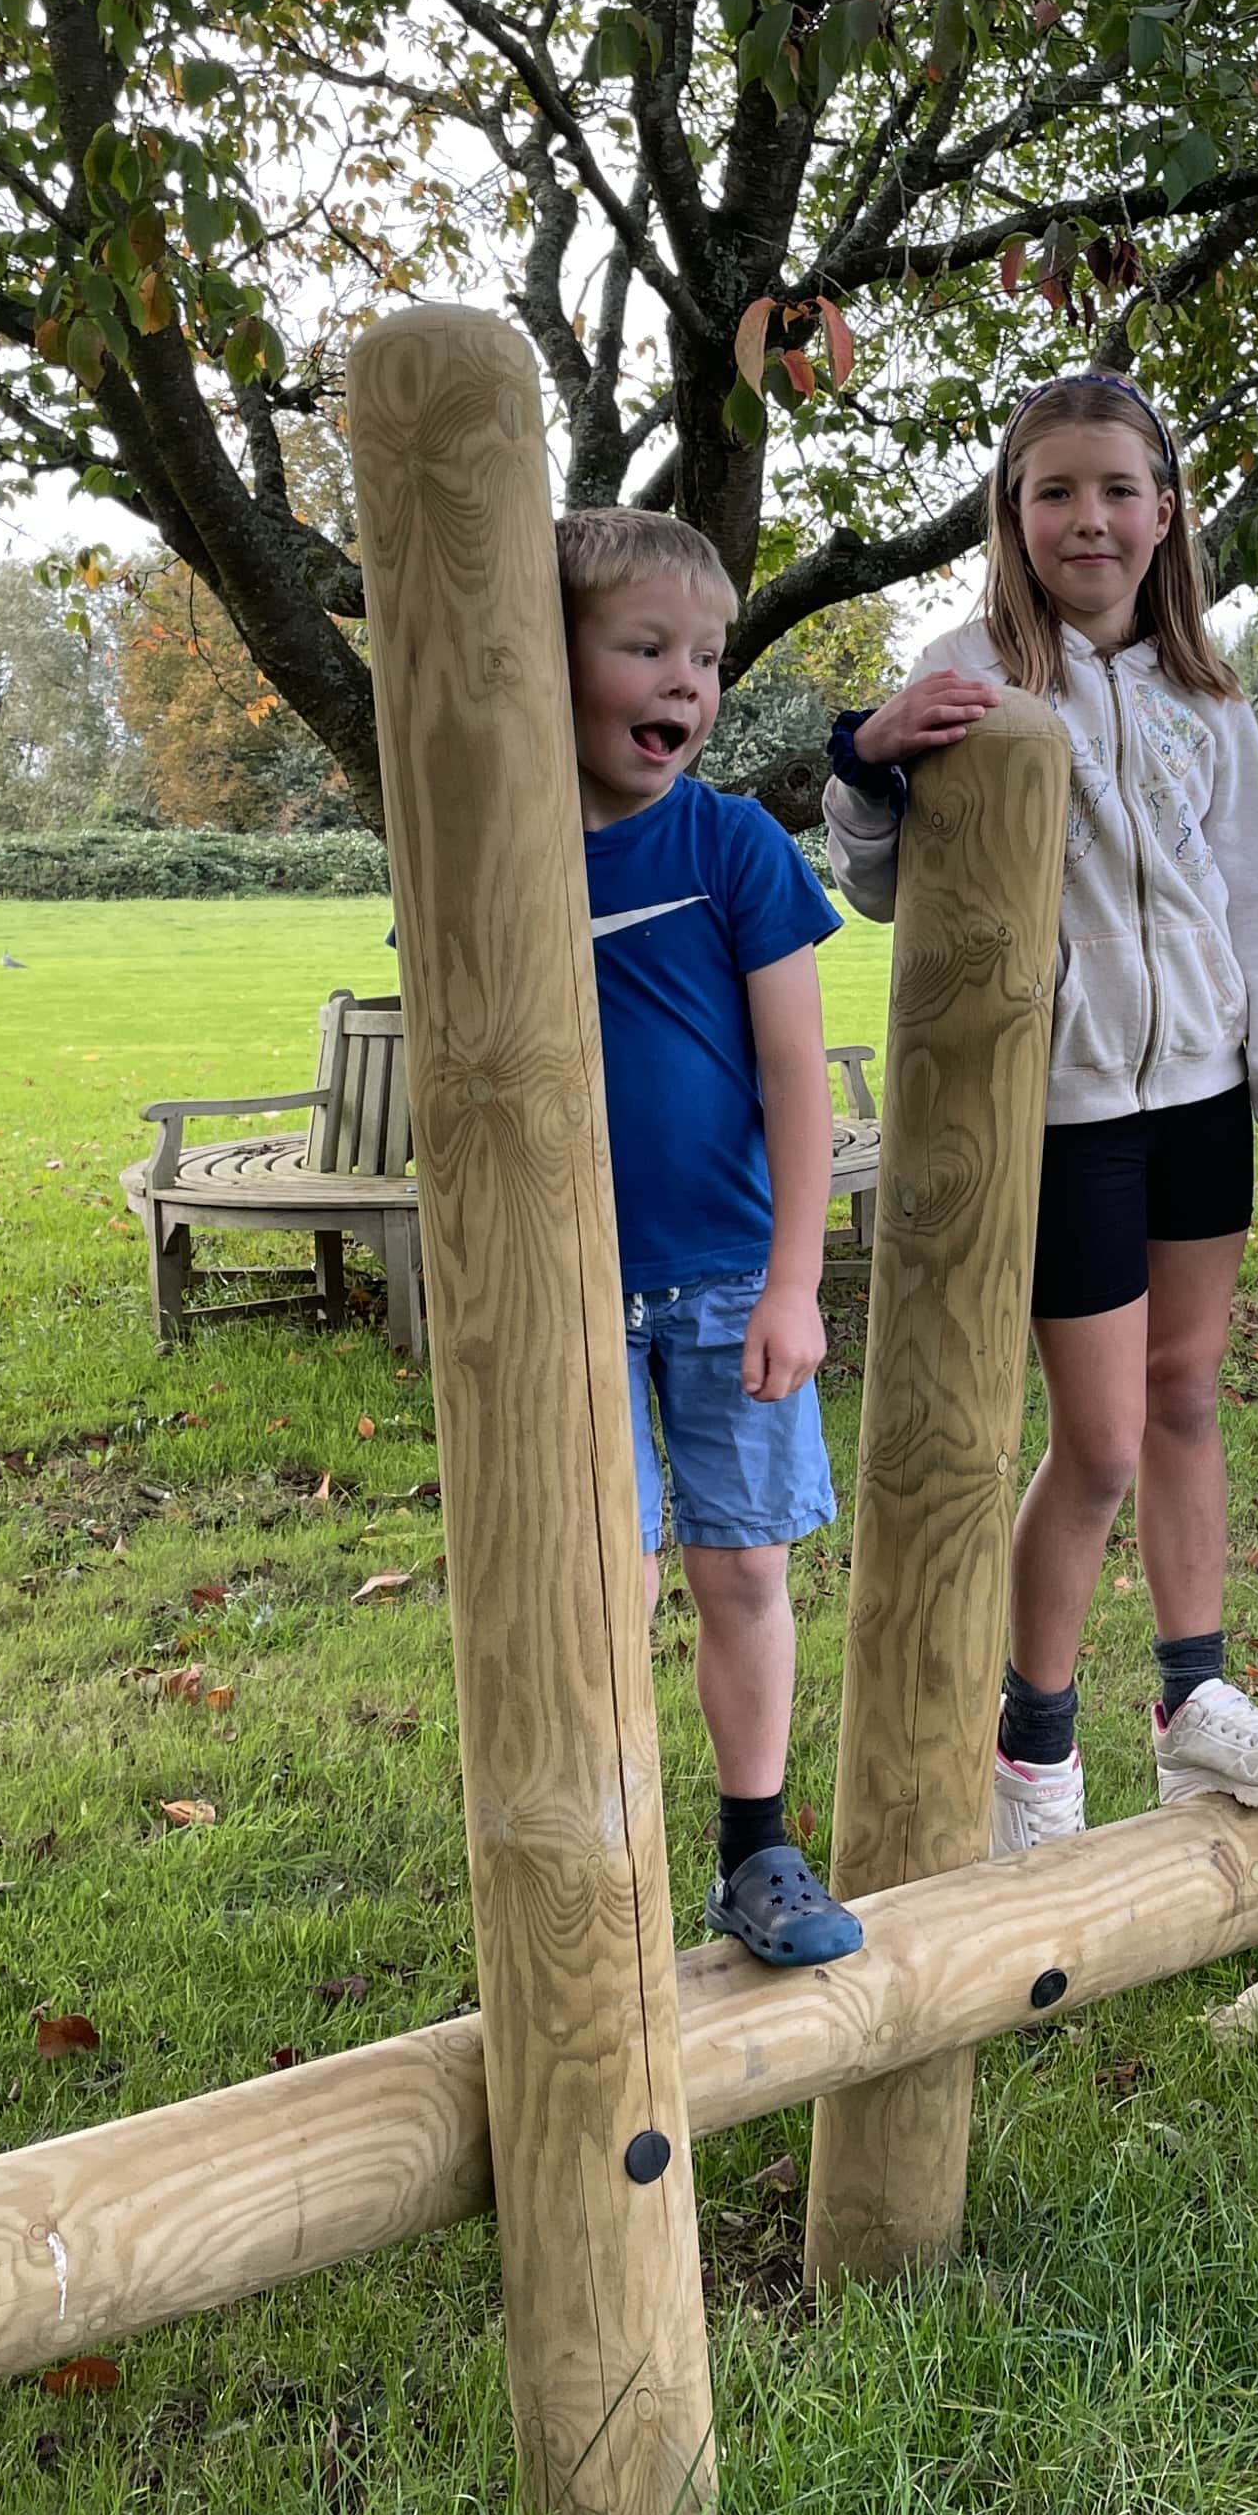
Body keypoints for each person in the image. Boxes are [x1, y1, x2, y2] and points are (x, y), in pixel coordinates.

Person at [824, 376, 1258, 1850]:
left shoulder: (1211, 692)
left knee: (1184, 1399)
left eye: (1118, 488)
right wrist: (866, 764)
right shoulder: (970, 672)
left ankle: (1196, 1711)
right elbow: (878, 884)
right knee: (1102, 1437)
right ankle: (1032, 1748)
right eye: (1053, 491)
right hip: (1057, 1113)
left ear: (1166, 511)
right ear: (1013, 515)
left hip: (1201, 1092)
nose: (1088, 518)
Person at [564, 506, 863, 1969]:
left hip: (733, 1279)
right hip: (567, 1296)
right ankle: (598, 1861)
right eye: (645, 649)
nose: (686, 683)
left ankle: (759, 1848)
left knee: (742, 1570)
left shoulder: (732, 842)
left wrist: (797, 1283)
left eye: (707, 657)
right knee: (594, 1576)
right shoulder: (502, 851)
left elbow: (798, 1075)